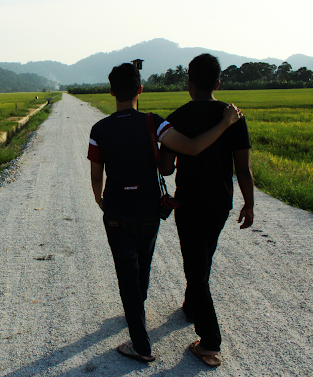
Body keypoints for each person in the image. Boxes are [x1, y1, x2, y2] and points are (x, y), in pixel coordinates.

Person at [87, 63, 243, 363]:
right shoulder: (153, 123)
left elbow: (97, 175)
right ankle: (139, 311)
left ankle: (140, 344)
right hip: (148, 210)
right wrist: (226, 122)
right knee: (141, 266)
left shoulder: (99, 130)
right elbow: (193, 147)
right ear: (140, 90)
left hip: (117, 211)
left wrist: (100, 200)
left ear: (111, 92)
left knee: (126, 275)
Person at [160, 53, 254, 367]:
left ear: (189, 84)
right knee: (203, 257)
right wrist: (249, 202)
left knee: (196, 267)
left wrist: (163, 154)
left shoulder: (176, 117)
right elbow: (243, 168)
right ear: (217, 83)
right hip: (220, 202)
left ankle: (210, 341)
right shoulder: (233, 116)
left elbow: (168, 169)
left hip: (190, 202)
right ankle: (190, 305)